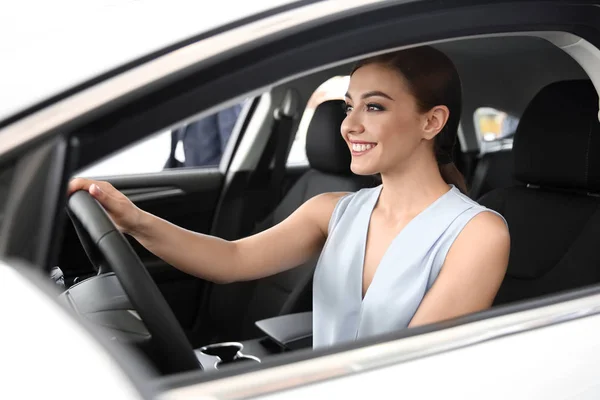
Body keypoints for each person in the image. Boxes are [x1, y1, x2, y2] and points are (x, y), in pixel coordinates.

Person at [69, 46, 510, 348]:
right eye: (348, 106)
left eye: (373, 107)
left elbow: (415, 374)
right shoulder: (333, 211)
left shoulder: (477, 234)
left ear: (431, 122)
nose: (349, 125)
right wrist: (133, 219)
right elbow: (231, 260)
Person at [165, 103, 243, 168]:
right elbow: (174, 150)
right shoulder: (182, 99)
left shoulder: (222, 97)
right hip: (187, 173)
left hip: (209, 177)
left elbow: (230, 148)